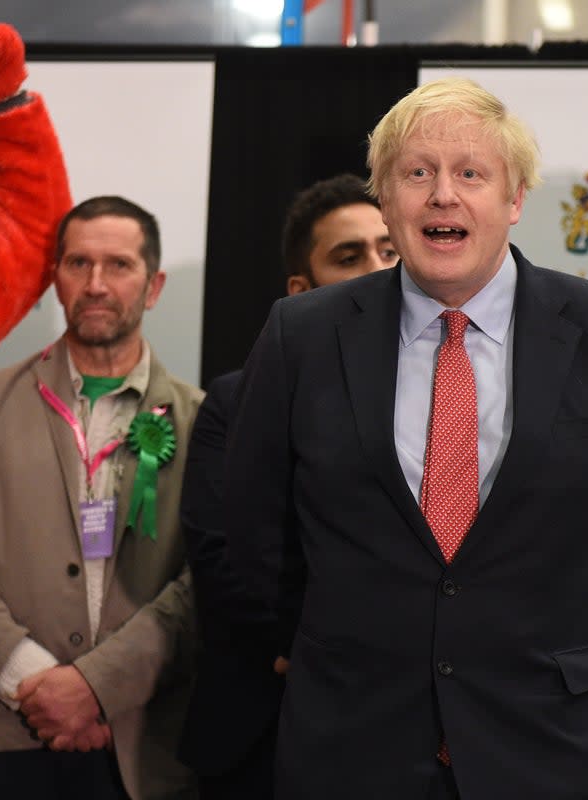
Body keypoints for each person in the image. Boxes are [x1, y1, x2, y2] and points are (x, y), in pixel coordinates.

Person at [217, 76, 588, 799]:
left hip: (552, 745)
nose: (444, 195)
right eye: (417, 174)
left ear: (514, 199)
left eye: (471, 173)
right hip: (351, 745)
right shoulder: (301, 336)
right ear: (387, 198)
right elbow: (256, 533)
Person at [0, 195, 205, 800]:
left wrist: (99, 686)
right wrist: (40, 685)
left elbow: (204, 581)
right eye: (78, 264)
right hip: (1, 734)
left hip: (144, 743)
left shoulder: (204, 421)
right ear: (56, 278)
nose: (96, 284)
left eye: (119, 265)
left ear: (153, 287)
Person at [178, 172, 398, 797]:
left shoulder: (459, 399)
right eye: (348, 256)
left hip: (409, 725)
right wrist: (313, 645)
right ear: (301, 290)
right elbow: (222, 550)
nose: (377, 268)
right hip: (264, 723)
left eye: (389, 250)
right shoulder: (236, 400)